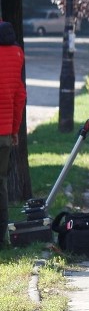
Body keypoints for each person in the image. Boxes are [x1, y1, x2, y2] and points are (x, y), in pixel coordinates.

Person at [0, 20, 26, 247]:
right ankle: (3, 237)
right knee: (2, 184)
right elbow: (20, 96)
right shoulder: (17, 53)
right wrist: (14, 129)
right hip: (5, 133)